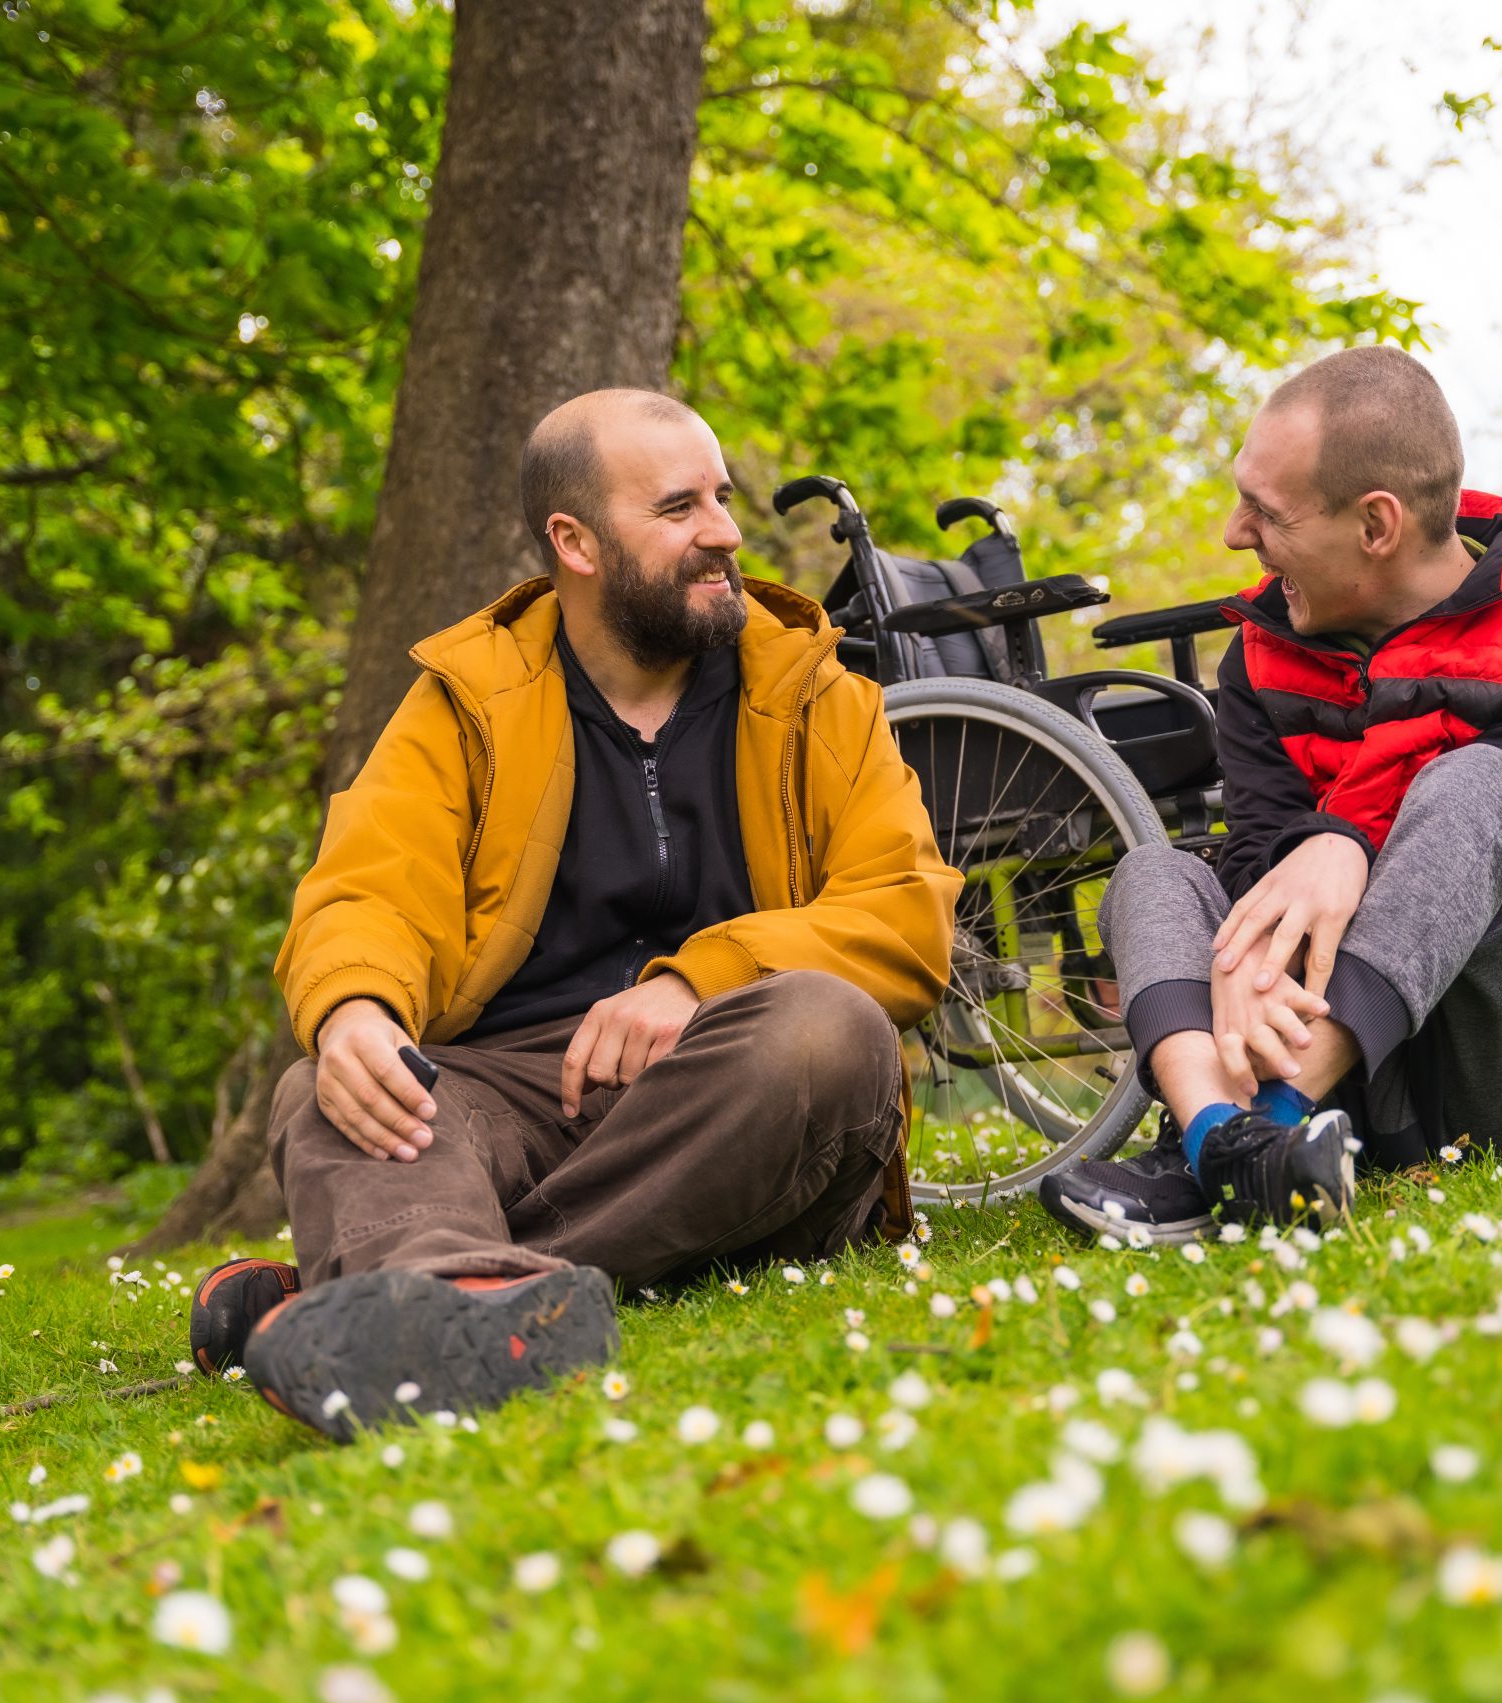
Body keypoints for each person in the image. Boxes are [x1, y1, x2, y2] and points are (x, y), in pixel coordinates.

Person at [189, 389, 957, 1439]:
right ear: (575, 541)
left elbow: (906, 918)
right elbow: (368, 884)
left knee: (828, 1031)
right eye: (680, 507)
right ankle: (452, 1298)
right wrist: (357, 1012)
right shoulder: (468, 696)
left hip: (727, 1089)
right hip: (511, 1092)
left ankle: (421, 1280)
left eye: (721, 499)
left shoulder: (820, 694)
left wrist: (701, 979)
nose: (725, 533)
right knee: (334, 1082)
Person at [1038, 347, 1502, 1244]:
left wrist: (1340, 844)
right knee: (1156, 873)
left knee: (1475, 782)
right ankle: (1224, 1137)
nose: (1234, 534)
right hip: (1357, 1088)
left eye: (1266, 512)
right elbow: (1256, 866)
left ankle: (1255, 1135)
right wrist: (1310, 852)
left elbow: (1458, 849)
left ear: (1376, 525)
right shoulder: (1257, 653)